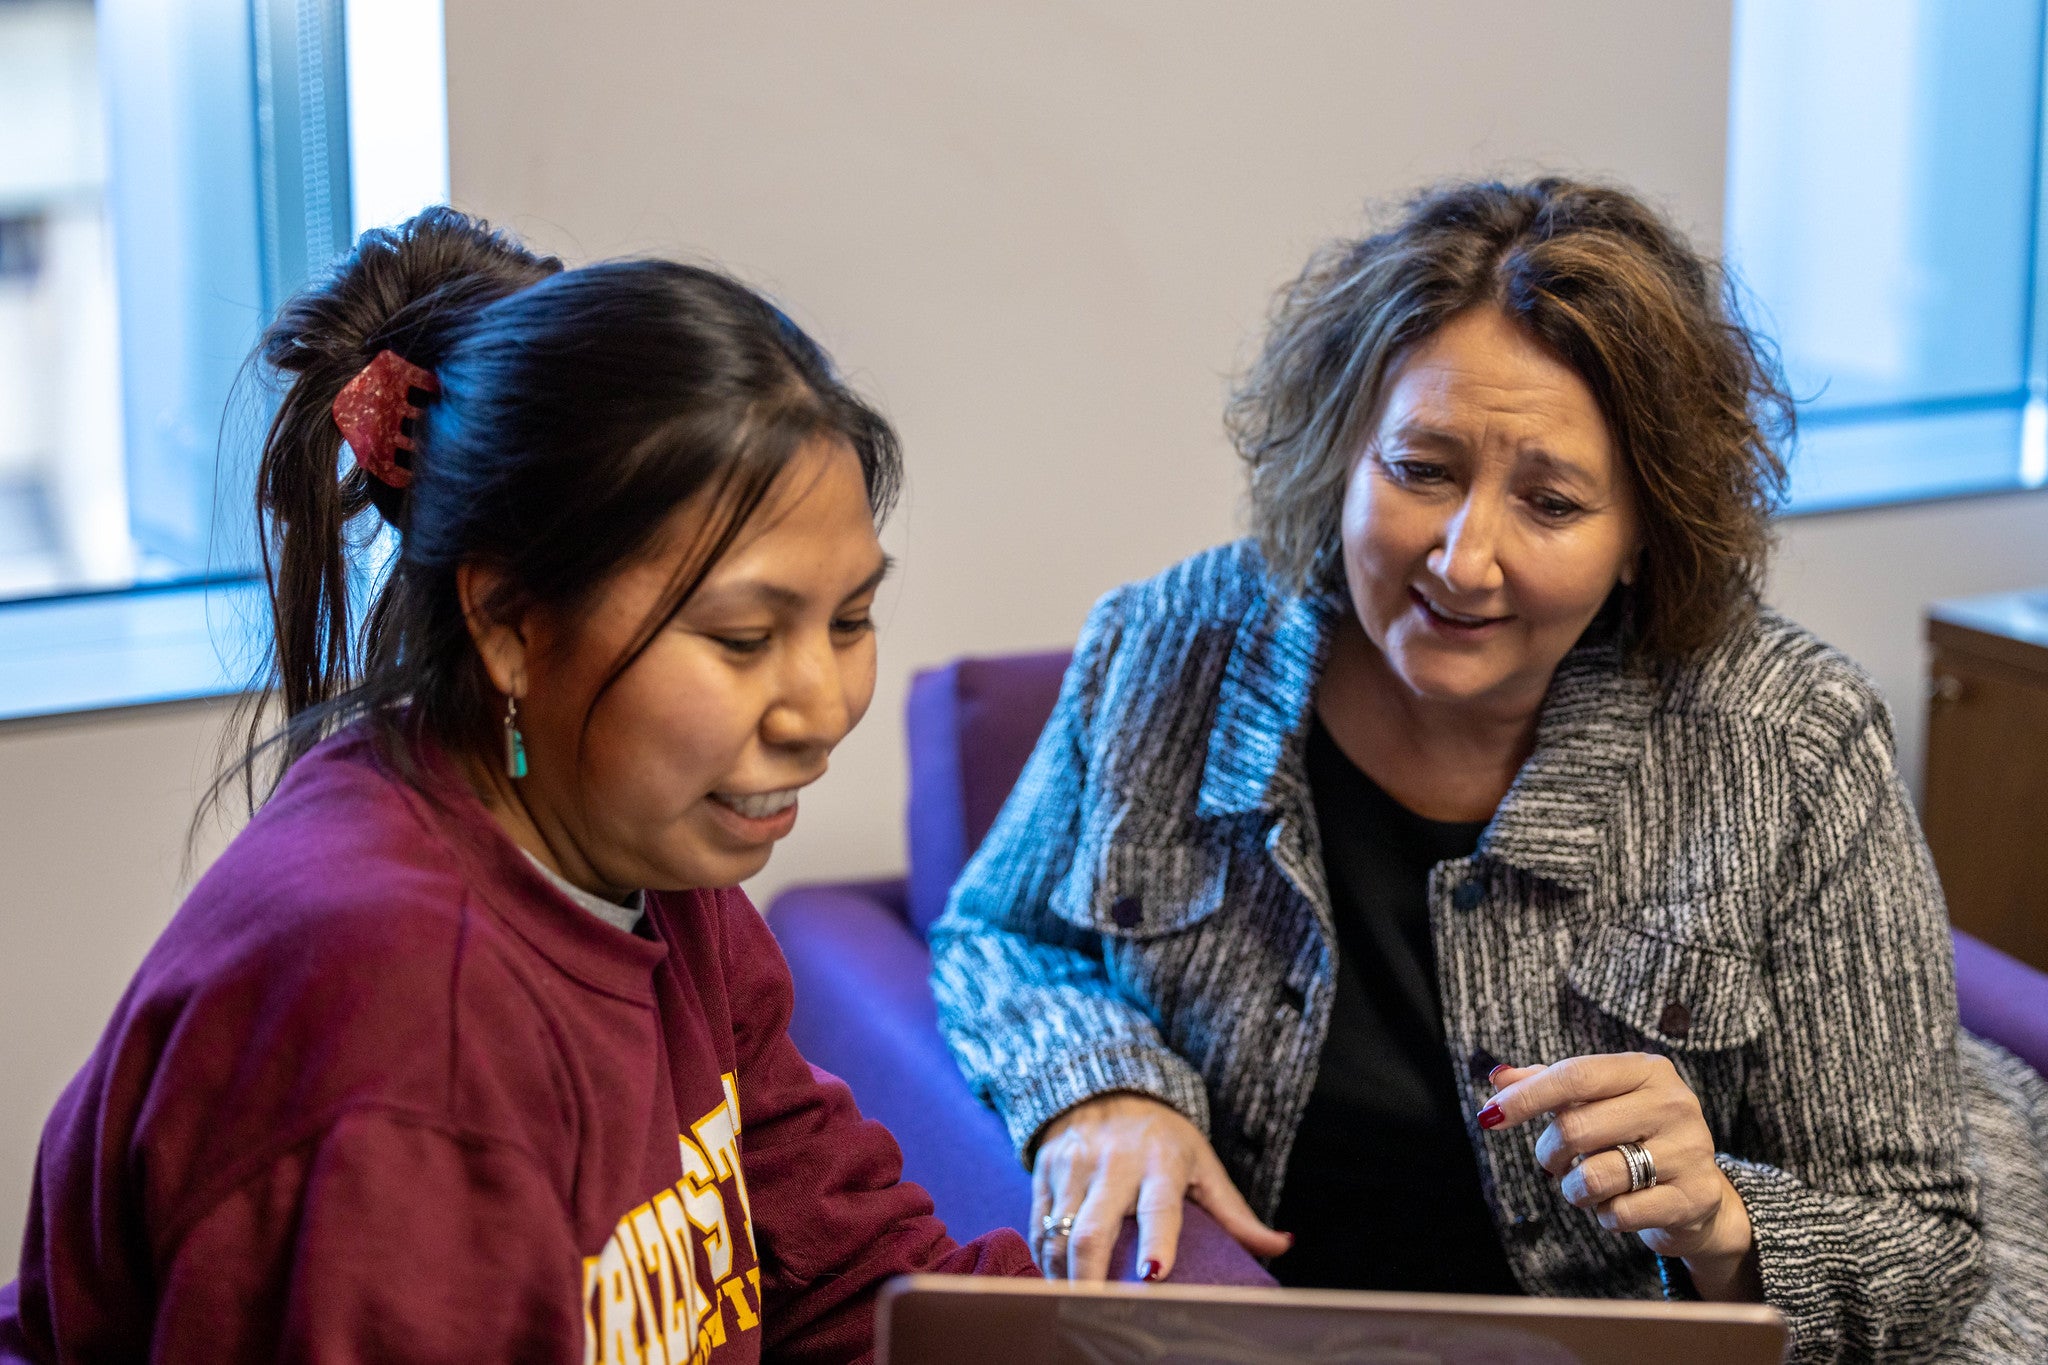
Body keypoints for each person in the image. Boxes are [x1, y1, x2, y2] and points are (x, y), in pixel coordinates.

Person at [931, 178, 2048, 1362]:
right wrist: (1104, 1088)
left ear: (1642, 538)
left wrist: (1719, 1217)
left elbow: (1919, 1247)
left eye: (1551, 503)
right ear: (1340, 457)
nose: (1464, 562)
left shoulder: (1786, 738)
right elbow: (995, 934)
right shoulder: (1174, 648)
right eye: (1420, 470)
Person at [0, 207, 1035, 1363]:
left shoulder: (636, 846)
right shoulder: (400, 1025)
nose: (822, 707)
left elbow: (854, 1284)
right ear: (505, 624)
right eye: (744, 639)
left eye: (849, 620)